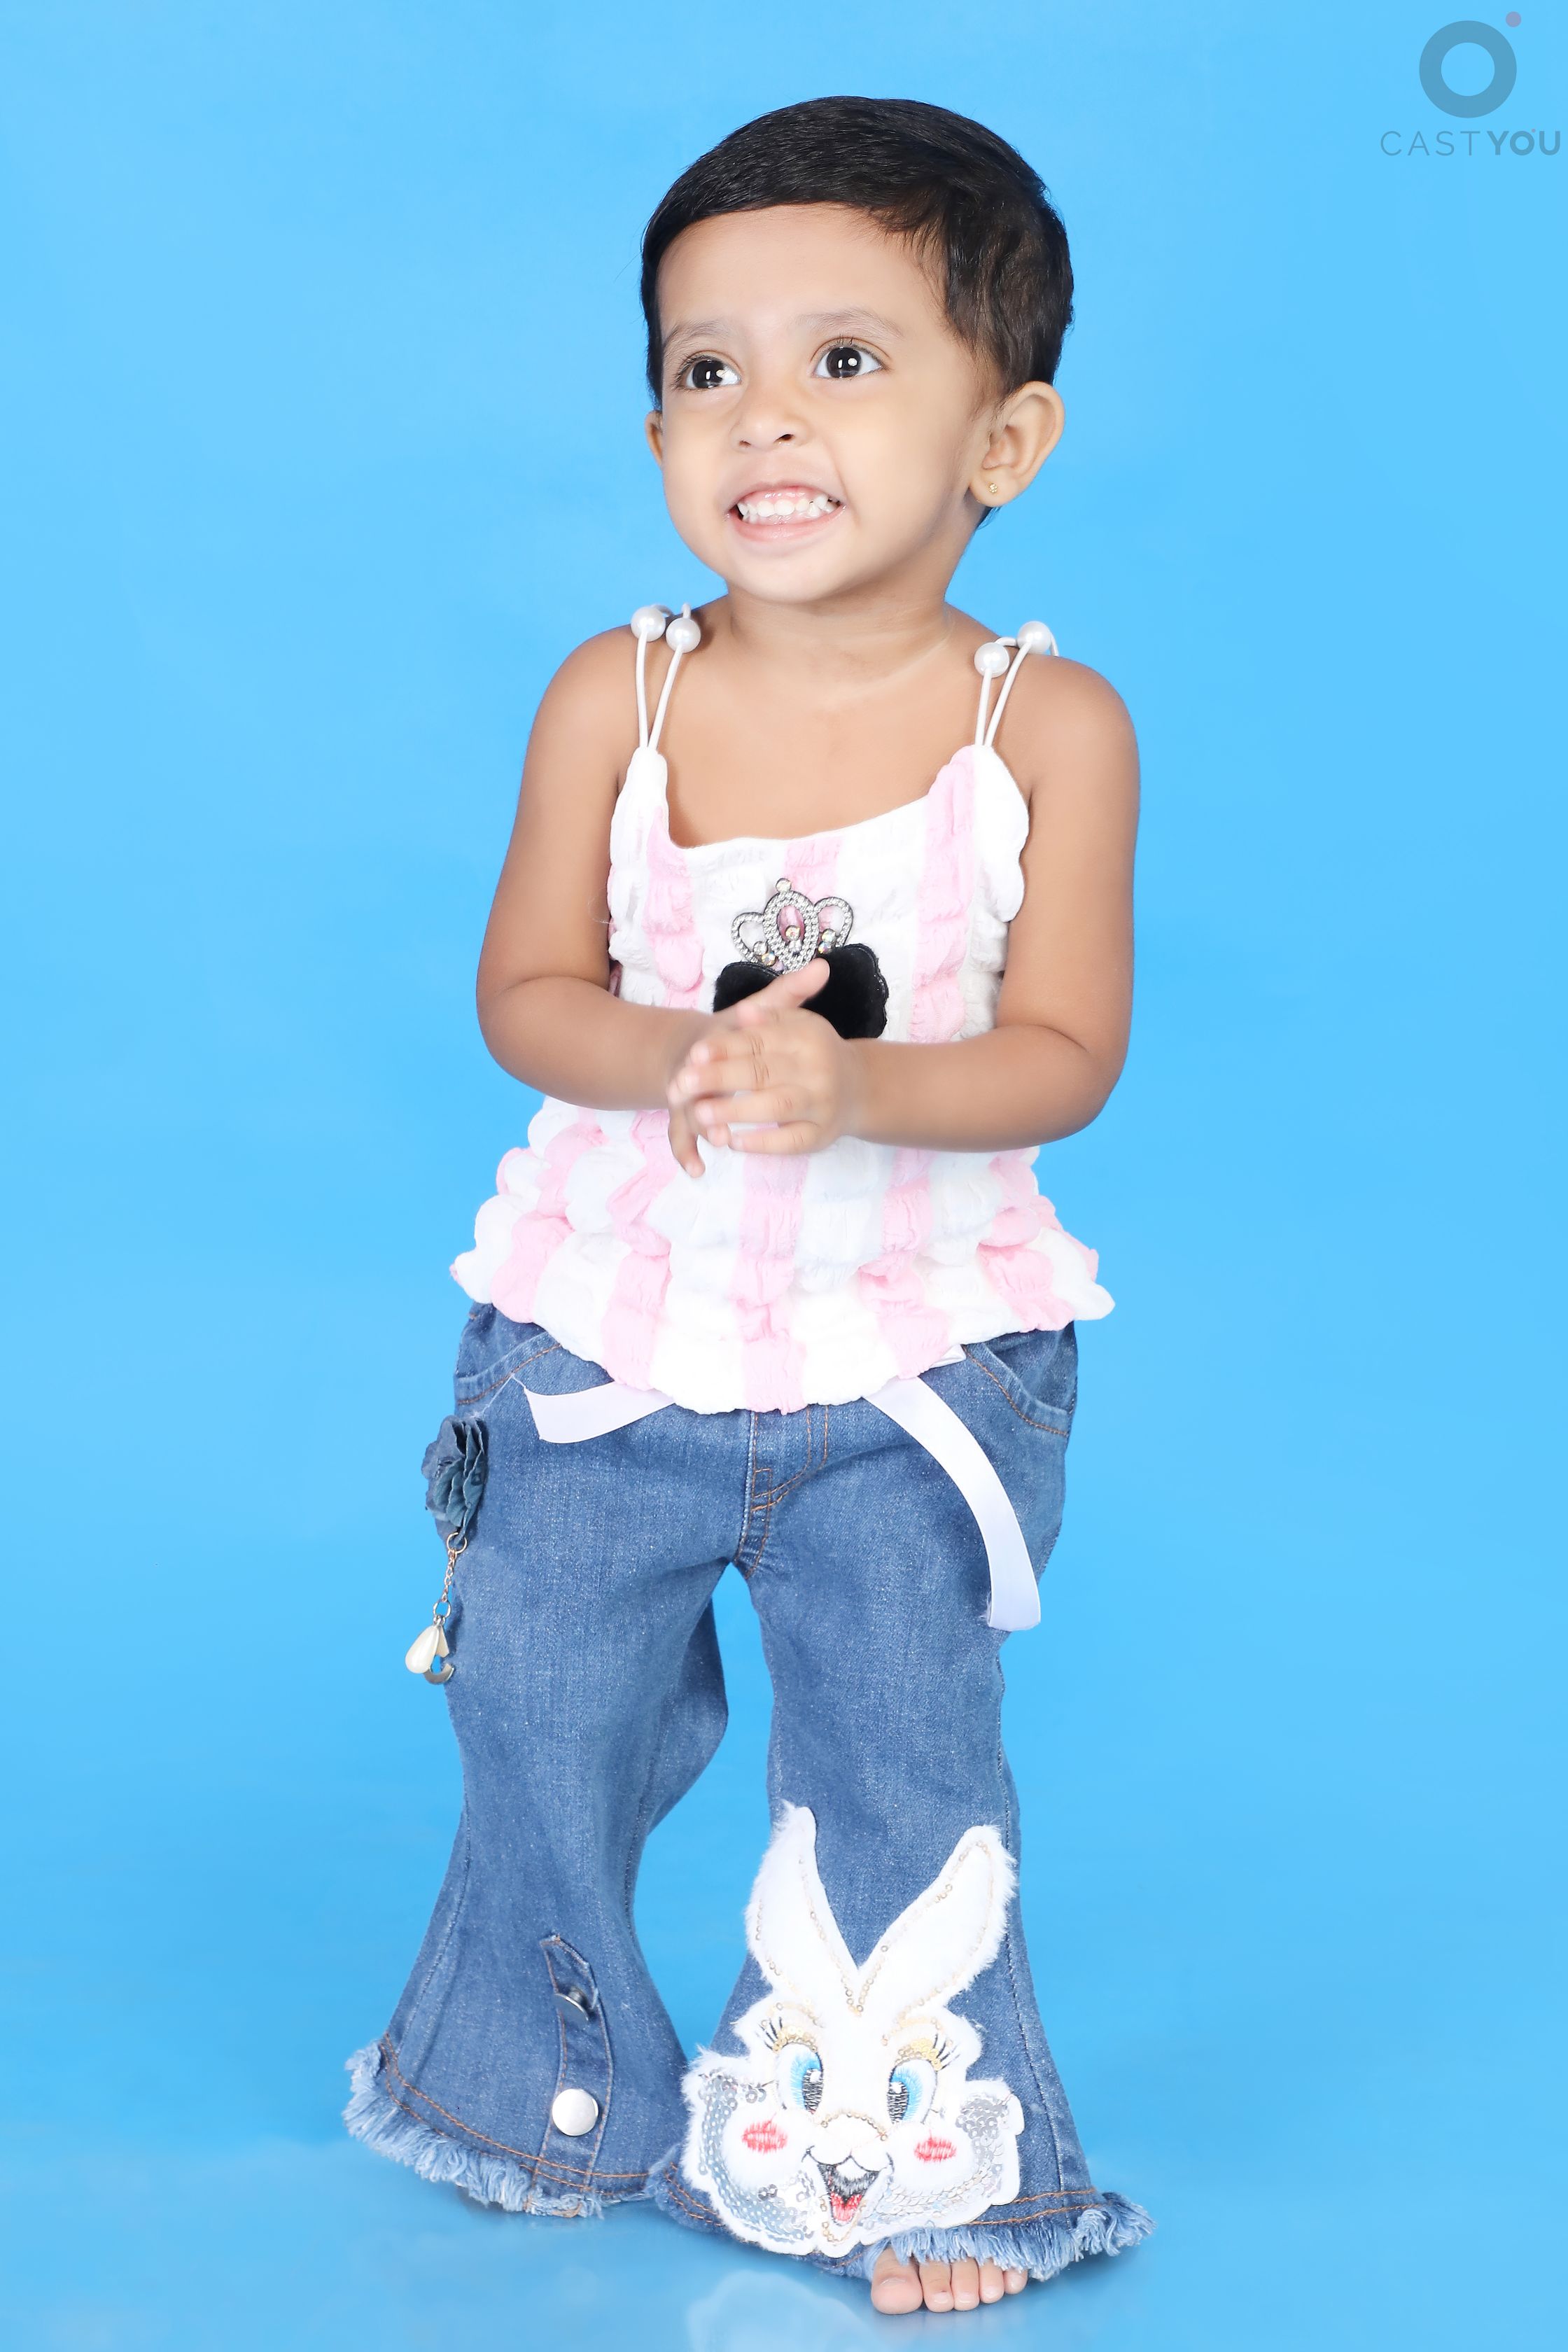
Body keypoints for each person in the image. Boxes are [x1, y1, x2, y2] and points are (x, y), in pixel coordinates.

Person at [345, 95, 1151, 2318]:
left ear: (1006, 440)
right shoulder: (619, 692)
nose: (764, 418)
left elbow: (1066, 1052)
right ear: (655, 430)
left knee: (900, 1753)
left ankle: (907, 2175)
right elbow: (529, 994)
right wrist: (677, 1063)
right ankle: (542, 2087)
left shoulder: (1049, 726)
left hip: (912, 1354)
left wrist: (857, 1085)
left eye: (846, 362)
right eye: (708, 370)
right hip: (614, 1333)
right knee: (541, 1711)